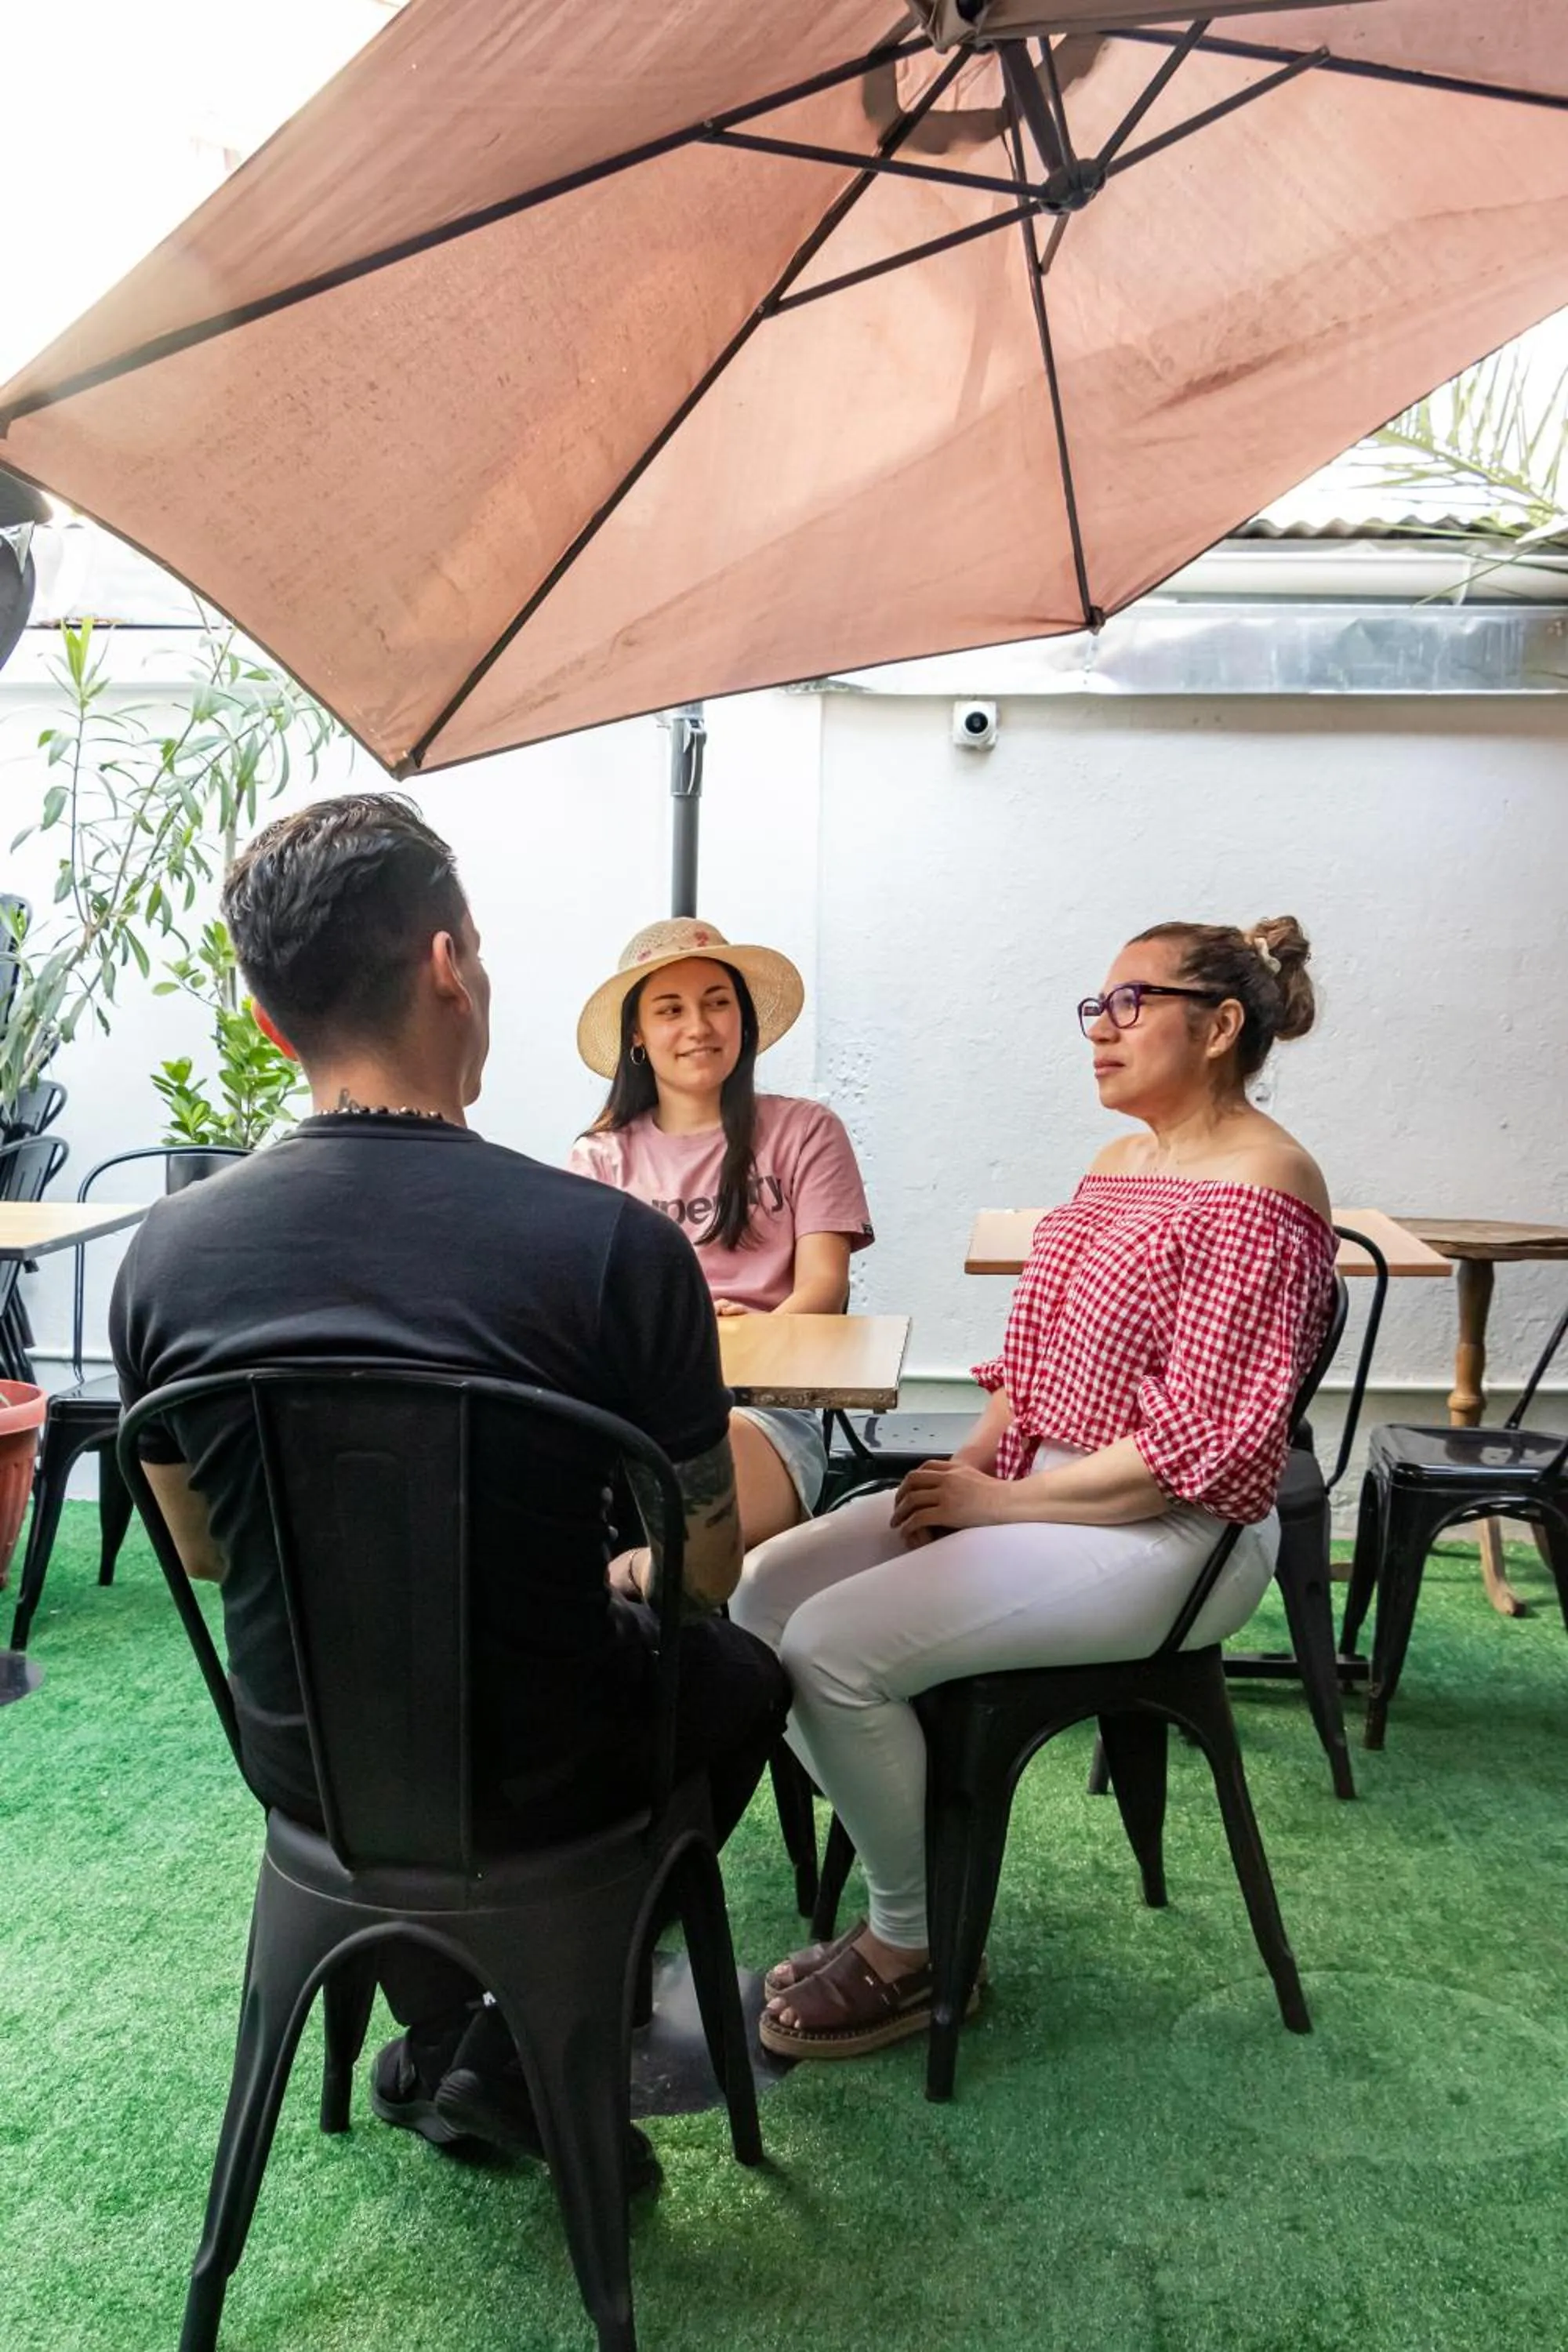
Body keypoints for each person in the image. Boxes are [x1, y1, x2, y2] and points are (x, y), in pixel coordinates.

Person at [110, 794, 788, 2173]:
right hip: (550, 1769)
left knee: (429, 1729)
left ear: (265, 1020)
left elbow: (205, 1554)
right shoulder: (607, 1247)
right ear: (446, 965)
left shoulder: (163, 1260)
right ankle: (520, 2044)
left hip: (307, 1764)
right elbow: (706, 1570)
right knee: (740, 1678)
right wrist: (626, 1570)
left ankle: (456, 2028)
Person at [733, 916, 1338, 2062]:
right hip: (1044, 1484)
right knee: (765, 1594)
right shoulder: (1117, 1167)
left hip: (1175, 1533)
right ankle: (924, 1854)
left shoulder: (1269, 1183)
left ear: (1218, 1028)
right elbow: (1037, 1355)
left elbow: (1197, 1446)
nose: (1099, 1031)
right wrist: (966, 1464)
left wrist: (997, 1507)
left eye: (1128, 1004)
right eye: (1094, 1007)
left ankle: (913, 1946)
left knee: (830, 1650)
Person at [569, 916, 873, 1548]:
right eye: (670, 1009)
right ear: (639, 1034)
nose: (698, 1027)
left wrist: (744, 1337)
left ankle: (637, 1579)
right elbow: (590, 1313)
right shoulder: (599, 1159)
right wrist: (684, 1332)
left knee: (704, 1484)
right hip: (633, 1410)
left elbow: (824, 1287)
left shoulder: (807, 1132)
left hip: (765, 1412)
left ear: (743, 1020)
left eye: (717, 1003)